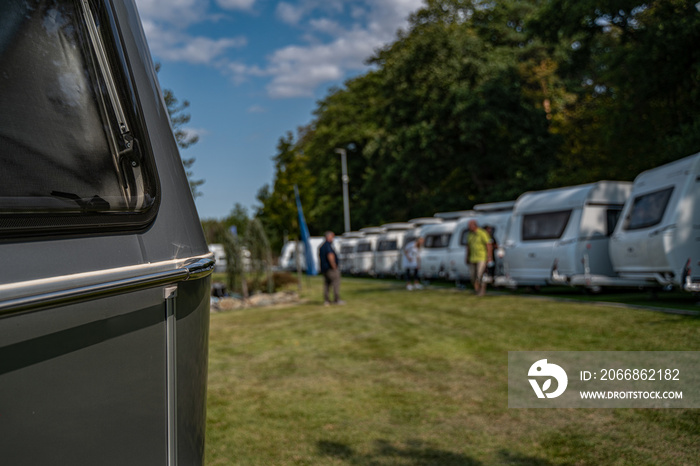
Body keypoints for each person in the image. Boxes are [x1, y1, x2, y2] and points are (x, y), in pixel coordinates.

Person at [465, 220, 493, 296]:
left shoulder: (482, 233)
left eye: (470, 226)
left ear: (474, 225)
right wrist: (467, 257)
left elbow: (488, 245)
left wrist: (489, 256)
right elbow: (468, 247)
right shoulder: (469, 235)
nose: (469, 227)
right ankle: (477, 289)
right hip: (472, 258)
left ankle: (482, 291)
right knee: (472, 276)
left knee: (480, 275)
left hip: (481, 257)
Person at [319, 231, 344, 305]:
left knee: (326, 284)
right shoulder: (328, 246)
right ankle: (337, 299)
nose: (333, 238)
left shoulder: (321, 246)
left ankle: (326, 300)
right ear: (328, 237)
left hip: (324, 269)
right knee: (336, 283)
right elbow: (330, 255)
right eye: (332, 237)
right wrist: (334, 266)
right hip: (330, 268)